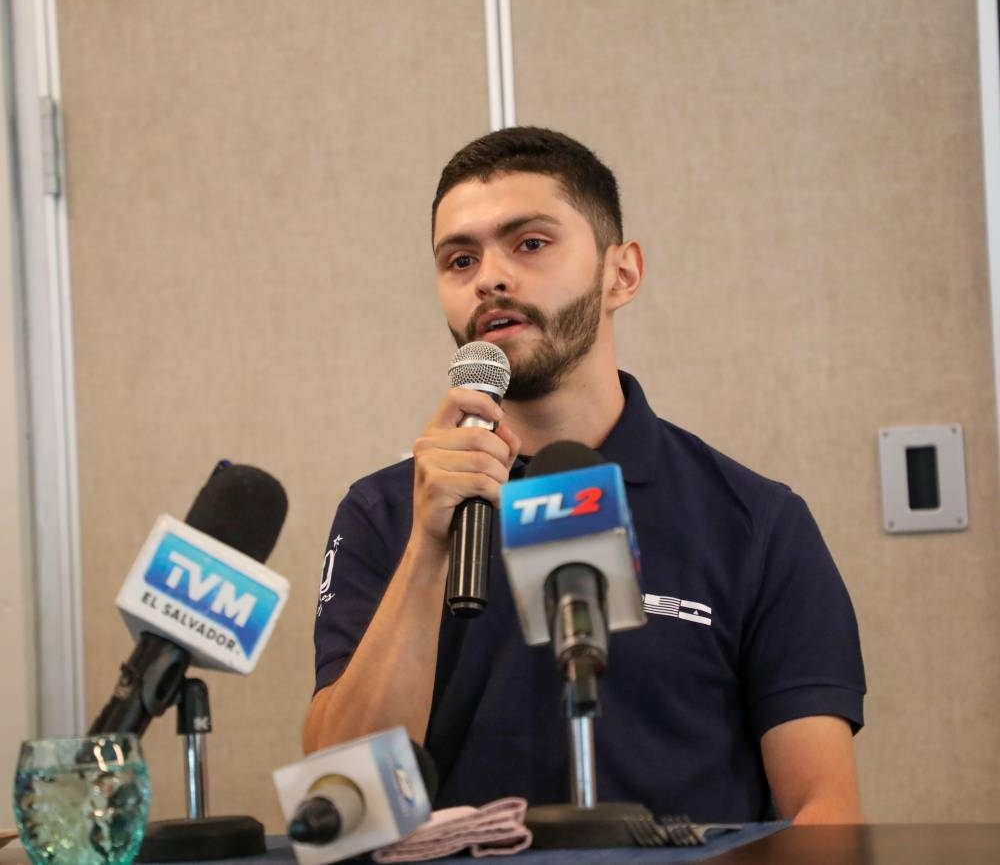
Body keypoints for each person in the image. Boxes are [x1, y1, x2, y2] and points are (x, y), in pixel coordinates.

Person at [303, 127, 866, 824]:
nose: (490, 277)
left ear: (620, 273)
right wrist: (427, 550)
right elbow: (343, 807)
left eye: (530, 243)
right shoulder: (383, 512)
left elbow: (823, 808)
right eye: (459, 258)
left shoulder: (756, 520)